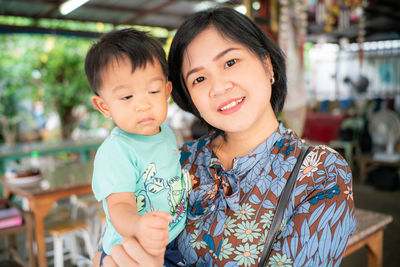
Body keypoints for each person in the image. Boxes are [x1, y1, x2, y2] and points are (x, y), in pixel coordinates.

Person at [95, 7, 356, 267]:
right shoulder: (181, 158)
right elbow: (111, 247)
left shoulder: (321, 173)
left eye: (230, 62)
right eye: (199, 79)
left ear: (267, 65)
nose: (219, 87)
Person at [85, 28, 190, 266]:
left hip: (171, 242)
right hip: (131, 251)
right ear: (104, 106)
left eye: (152, 91)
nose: (142, 105)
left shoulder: (167, 134)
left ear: (167, 92)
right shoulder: (116, 151)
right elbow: (119, 206)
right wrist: (138, 226)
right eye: (126, 97)